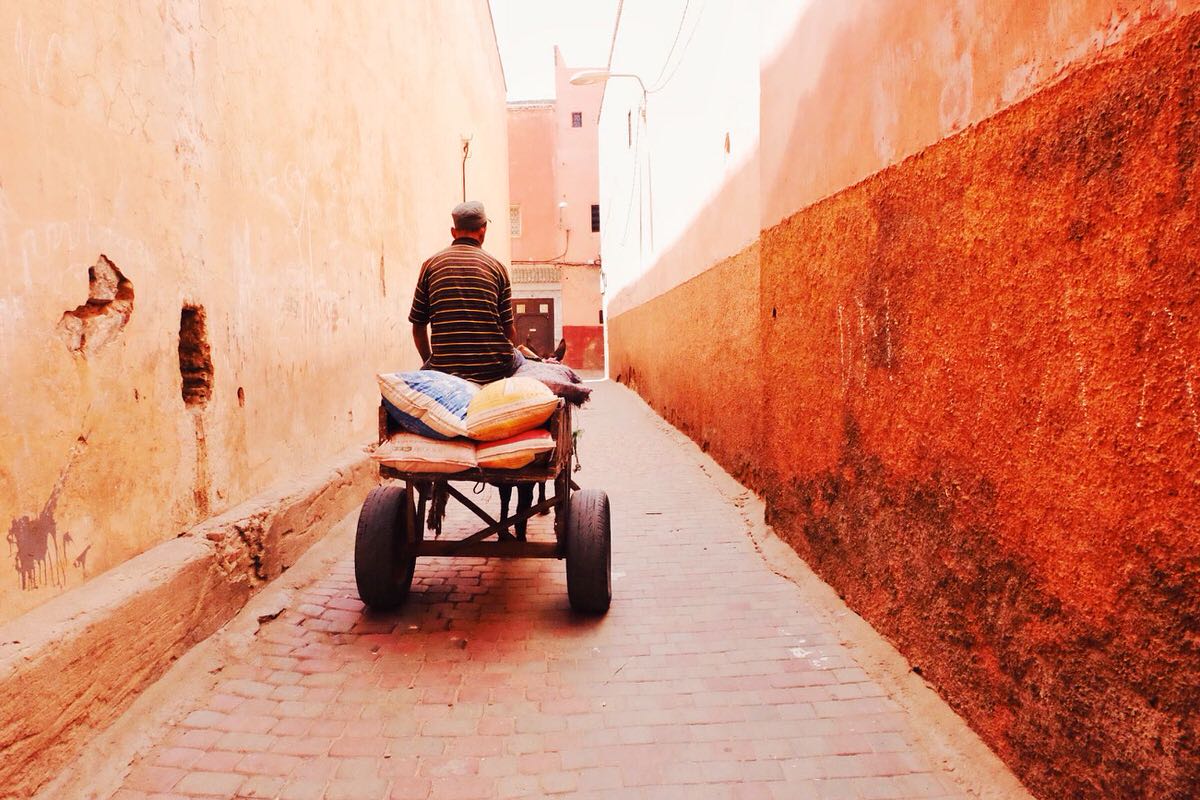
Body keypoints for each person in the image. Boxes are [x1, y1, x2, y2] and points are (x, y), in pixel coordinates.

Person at [409, 201, 519, 384]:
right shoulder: (498, 268)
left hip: (444, 371)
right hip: (493, 372)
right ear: (483, 230)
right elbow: (509, 331)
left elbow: (418, 327)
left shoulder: (430, 265)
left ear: (453, 231)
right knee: (525, 361)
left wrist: (430, 364)